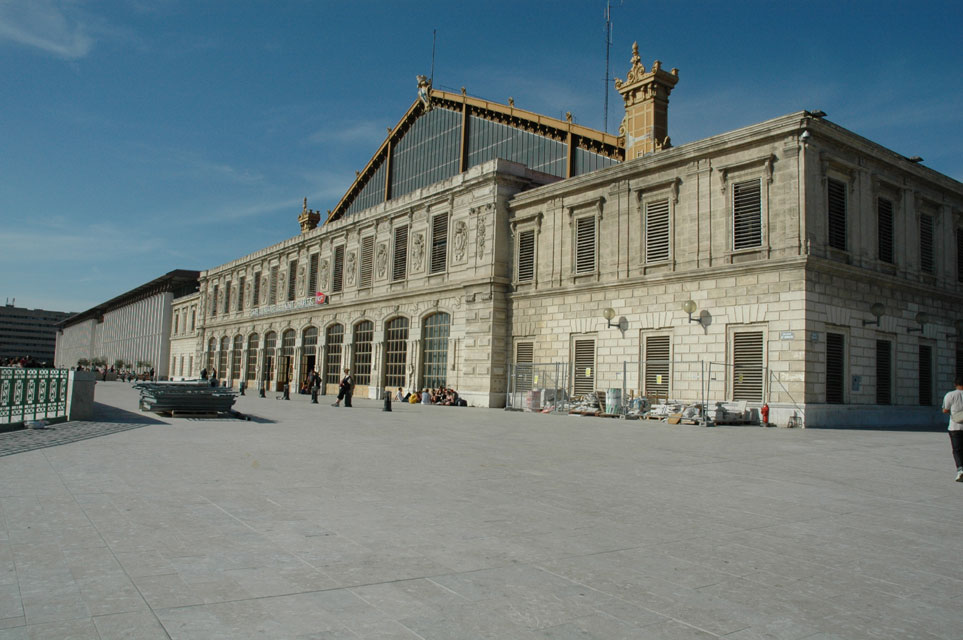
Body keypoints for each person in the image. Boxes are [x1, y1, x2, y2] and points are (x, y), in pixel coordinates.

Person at [941, 377, 963, 482]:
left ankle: (960, 470)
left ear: (955, 384)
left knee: (957, 450)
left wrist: (954, 414)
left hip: (955, 427)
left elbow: (945, 410)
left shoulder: (950, 395)